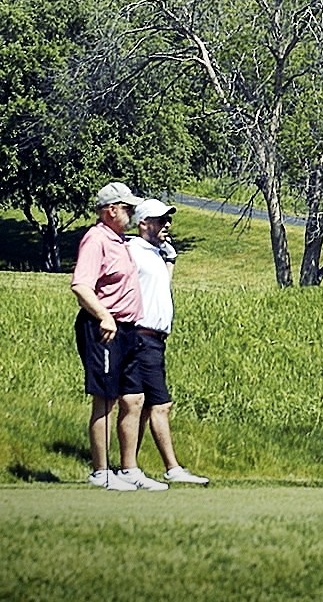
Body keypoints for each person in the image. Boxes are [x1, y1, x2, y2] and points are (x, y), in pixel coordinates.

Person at [70, 181, 166, 491]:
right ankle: (101, 472)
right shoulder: (96, 239)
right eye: (127, 208)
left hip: (128, 329)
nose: (132, 214)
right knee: (106, 399)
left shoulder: (122, 242)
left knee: (134, 398)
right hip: (104, 328)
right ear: (111, 210)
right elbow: (81, 286)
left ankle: (129, 469)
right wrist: (104, 316)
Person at [123, 197, 211, 485]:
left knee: (145, 407)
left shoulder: (154, 254)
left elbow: (161, 286)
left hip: (155, 339)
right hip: (141, 335)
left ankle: (129, 467)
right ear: (143, 223)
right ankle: (171, 468)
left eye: (168, 220)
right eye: (161, 220)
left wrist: (170, 260)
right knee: (159, 404)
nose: (167, 224)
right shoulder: (133, 251)